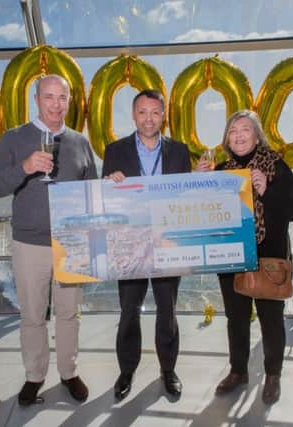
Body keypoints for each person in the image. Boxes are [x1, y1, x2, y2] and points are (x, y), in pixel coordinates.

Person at [0, 74, 97, 405]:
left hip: (71, 244)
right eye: (49, 97)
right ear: (36, 99)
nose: (56, 104)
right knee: (33, 315)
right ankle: (34, 376)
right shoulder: (14, 138)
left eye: (62, 98)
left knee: (69, 315)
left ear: (70, 102)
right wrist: (25, 166)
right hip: (29, 244)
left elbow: (92, 191)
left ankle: (68, 372)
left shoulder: (80, 142)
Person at [195, 110, 293, 405]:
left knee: (271, 320)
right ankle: (238, 371)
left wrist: (267, 190)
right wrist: (198, 183)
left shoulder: (276, 166)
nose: (239, 135)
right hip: (231, 258)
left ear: (257, 136)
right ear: (226, 139)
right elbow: (202, 215)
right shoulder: (220, 171)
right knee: (236, 319)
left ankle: (272, 375)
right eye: (233, 131)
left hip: (268, 259)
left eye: (245, 130)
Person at [102, 89, 192, 400]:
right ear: (133, 115)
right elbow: (105, 200)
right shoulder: (114, 150)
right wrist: (109, 183)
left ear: (163, 114)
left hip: (166, 242)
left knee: (167, 310)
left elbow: (186, 198)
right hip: (129, 246)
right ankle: (126, 370)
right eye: (142, 112)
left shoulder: (180, 151)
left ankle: (168, 370)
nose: (149, 118)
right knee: (129, 311)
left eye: (155, 112)